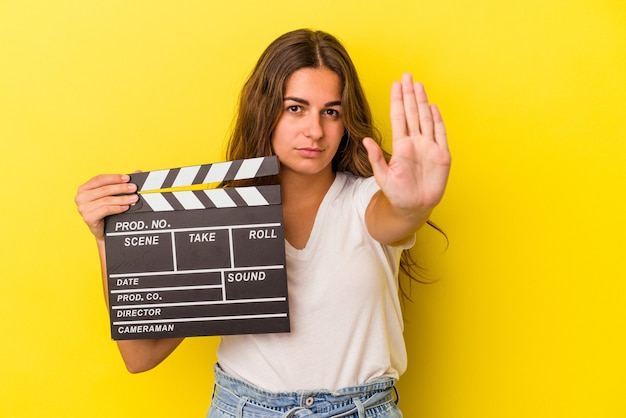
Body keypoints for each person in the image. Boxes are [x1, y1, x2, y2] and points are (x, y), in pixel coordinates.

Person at [75, 28, 451, 417]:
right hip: (244, 408)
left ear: (345, 121)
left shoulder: (367, 199)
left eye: (331, 111)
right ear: (265, 110)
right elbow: (140, 355)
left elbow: (393, 218)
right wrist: (108, 240)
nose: (315, 130)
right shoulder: (218, 219)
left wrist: (412, 207)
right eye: (295, 108)